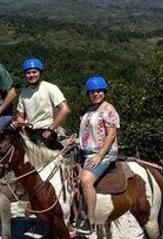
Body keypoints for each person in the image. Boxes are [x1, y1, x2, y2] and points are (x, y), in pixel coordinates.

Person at [77, 75, 119, 229]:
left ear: (104, 92)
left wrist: (99, 156)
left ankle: (90, 220)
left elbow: (111, 135)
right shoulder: (89, 110)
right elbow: (88, 133)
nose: (96, 94)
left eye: (99, 91)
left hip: (104, 153)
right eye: (92, 92)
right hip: (85, 151)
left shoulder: (108, 110)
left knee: (86, 181)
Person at [11, 57, 70, 142]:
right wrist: (18, 123)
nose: (31, 75)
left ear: (40, 73)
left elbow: (65, 110)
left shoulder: (51, 88)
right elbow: (21, 116)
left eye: (34, 72)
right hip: (30, 131)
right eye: (28, 73)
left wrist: (51, 129)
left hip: (47, 130)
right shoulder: (24, 93)